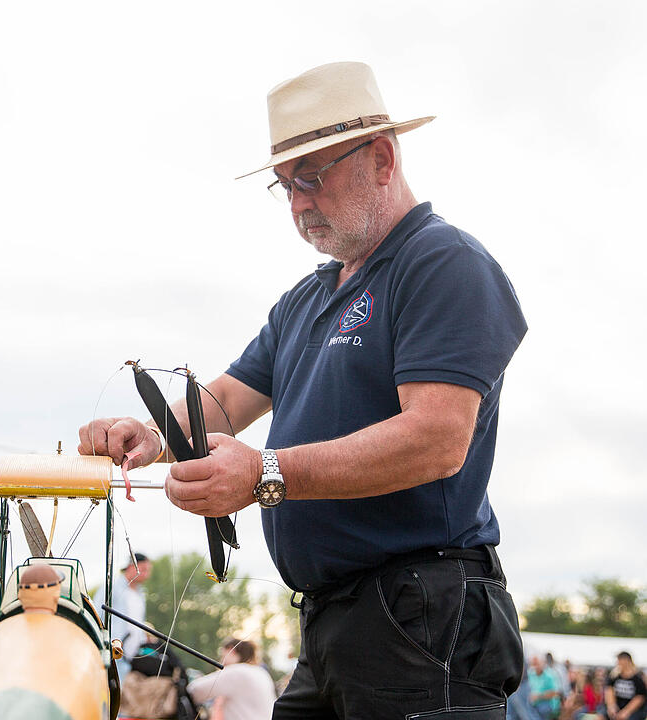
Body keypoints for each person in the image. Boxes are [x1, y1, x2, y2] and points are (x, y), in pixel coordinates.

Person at [79, 61, 526, 719]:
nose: (297, 204)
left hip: (422, 619)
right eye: (284, 185)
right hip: (334, 622)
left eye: (311, 177)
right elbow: (226, 401)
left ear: (381, 158)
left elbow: (436, 439)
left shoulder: (442, 262)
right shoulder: (308, 299)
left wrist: (265, 473)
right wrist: (148, 435)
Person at [188, 638, 276, 720]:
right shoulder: (261, 673)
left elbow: (194, 690)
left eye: (222, 656)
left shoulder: (237, 671)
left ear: (231, 650)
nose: (221, 661)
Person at [97, 553, 152, 684]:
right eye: (144, 569)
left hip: (133, 656)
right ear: (132, 567)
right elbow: (98, 614)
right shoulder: (111, 587)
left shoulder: (141, 594)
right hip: (114, 652)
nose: (147, 575)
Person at [605, 652, 646, 720]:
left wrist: (626, 712)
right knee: (601, 716)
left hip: (634, 710)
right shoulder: (614, 675)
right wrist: (611, 706)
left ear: (627, 661)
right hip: (618, 706)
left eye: (619, 660)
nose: (618, 663)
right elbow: (609, 690)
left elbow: (640, 697)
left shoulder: (638, 677)